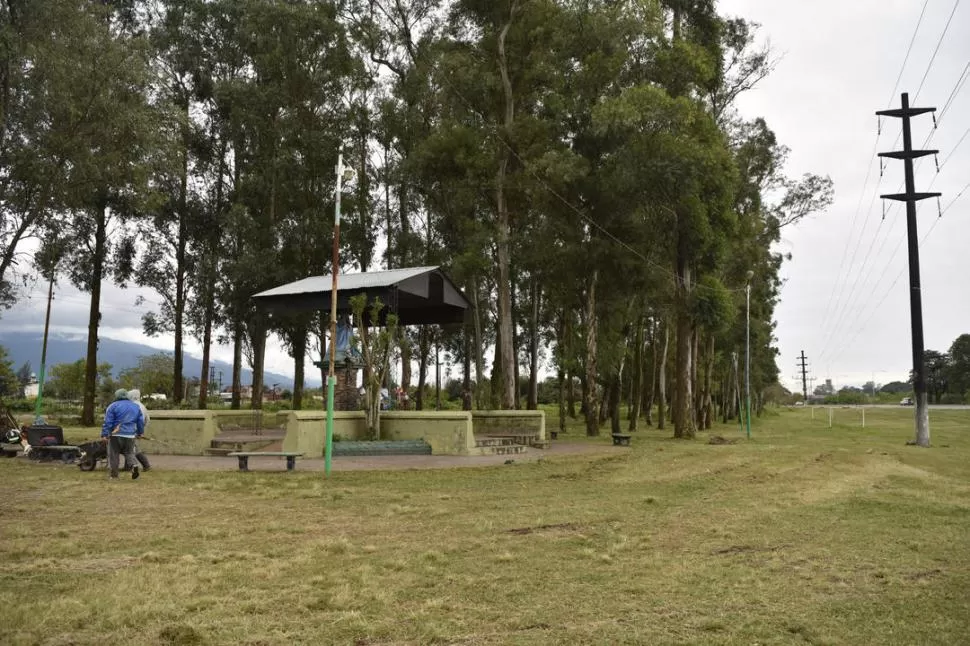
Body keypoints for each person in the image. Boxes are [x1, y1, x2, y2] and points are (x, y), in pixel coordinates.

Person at [101, 389, 145, 480]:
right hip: (130, 434)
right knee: (129, 452)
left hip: (116, 434)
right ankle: (134, 465)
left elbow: (108, 422)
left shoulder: (112, 406)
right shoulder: (135, 406)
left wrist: (105, 434)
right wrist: (140, 432)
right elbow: (140, 421)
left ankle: (114, 475)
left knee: (114, 454)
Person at [126, 389, 151, 471]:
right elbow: (147, 419)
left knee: (133, 449)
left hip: (133, 430)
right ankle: (128, 466)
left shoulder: (133, 406)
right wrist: (142, 430)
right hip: (138, 430)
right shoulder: (142, 406)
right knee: (129, 448)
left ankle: (146, 465)